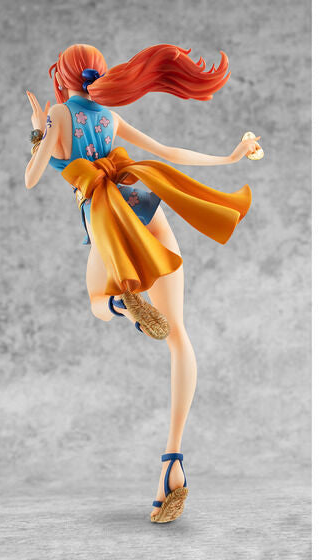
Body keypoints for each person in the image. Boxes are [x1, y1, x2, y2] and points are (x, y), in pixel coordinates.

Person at [24, 43, 261, 523]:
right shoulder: (109, 116)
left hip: (106, 217)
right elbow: (167, 152)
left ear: (62, 77)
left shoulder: (59, 116)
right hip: (145, 204)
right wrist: (229, 158)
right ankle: (172, 461)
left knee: (98, 300)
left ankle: (122, 306)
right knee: (178, 335)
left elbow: (32, 176)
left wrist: (41, 130)